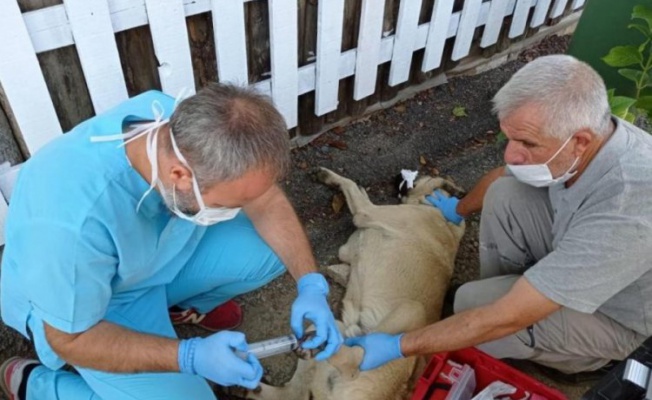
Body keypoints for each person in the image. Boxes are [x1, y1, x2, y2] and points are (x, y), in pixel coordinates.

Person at [0, 83, 343, 399]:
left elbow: (265, 201)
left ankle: (175, 308)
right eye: (227, 205)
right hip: (86, 311)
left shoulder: (176, 127)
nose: (236, 211)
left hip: (149, 263)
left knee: (270, 250)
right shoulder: (72, 224)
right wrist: (188, 356)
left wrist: (311, 284)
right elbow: (70, 339)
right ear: (180, 176)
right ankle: (38, 386)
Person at [345, 54, 652, 382]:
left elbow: (507, 317)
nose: (511, 154)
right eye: (510, 137)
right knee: (505, 194)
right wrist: (456, 211)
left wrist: (400, 346)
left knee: (471, 304)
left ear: (580, 141)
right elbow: (502, 175)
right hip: (583, 246)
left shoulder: (627, 209)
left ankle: (581, 361)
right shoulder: (594, 135)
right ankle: (509, 303)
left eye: (527, 143)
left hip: (615, 314)